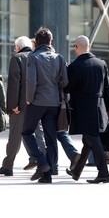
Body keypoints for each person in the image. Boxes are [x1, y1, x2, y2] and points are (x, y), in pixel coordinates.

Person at [21, 27, 68, 183]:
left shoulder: (33, 57)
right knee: (51, 138)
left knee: (26, 132)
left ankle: (41, 162)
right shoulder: (59, 58)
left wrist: (29, 98)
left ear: (37, 42)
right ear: (50, 41)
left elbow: (31, 82)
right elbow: (65, 81)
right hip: (54, 103)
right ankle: (47, 176)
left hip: (37, 101)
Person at [65, 35, 109, 184]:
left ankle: (103, 173)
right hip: (99, 106)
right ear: (89, 46)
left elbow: (68, 88)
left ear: (76, 47)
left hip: (83, 108)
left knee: (92, 138)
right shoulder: (101, 64)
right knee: (88, 140)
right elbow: (107, 88)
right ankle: (76, 171)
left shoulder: (74, 66)